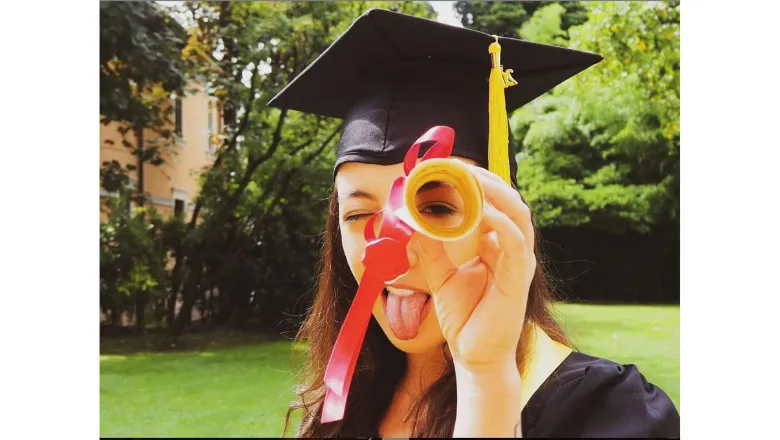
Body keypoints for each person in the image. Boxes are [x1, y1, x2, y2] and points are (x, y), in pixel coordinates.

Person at [270, 8, 680, 438]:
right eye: (357, 215)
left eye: (435, 208)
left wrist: (485, 377)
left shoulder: (604, 412)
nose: (389, 249)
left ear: (503, 216)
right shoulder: (348, 400)